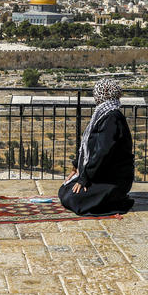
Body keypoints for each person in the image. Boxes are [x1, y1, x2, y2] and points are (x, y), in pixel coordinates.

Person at [59, 78, 135, 216]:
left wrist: (84, 178)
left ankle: (119, 202)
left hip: (112, 179)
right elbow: (89, 146)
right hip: (101, 175)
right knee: (64, 190)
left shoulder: (112, 118)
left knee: (73, 199)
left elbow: (102, 152)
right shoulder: (104, 115)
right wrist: (76, 168)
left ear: (104, 93)